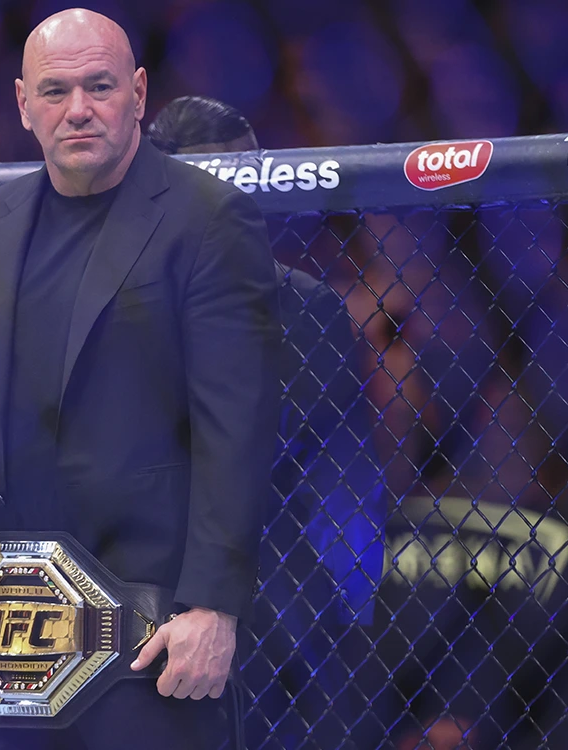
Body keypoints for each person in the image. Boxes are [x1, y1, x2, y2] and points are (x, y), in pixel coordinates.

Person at [0, 10, 281, 750]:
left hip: (148, 638)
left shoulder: (207, 219)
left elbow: (236, 431)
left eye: (99, 86)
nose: (78, 108)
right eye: (55, 91)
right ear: (23, 104)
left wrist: (212, 605)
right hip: (0, 636)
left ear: (137, 92)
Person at [148, 95, 386, 748]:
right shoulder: (108, 300)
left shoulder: (308, 308)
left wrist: (347, 615)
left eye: (245, 185)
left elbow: (345, 481)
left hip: (275, 598)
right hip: (131, 588)